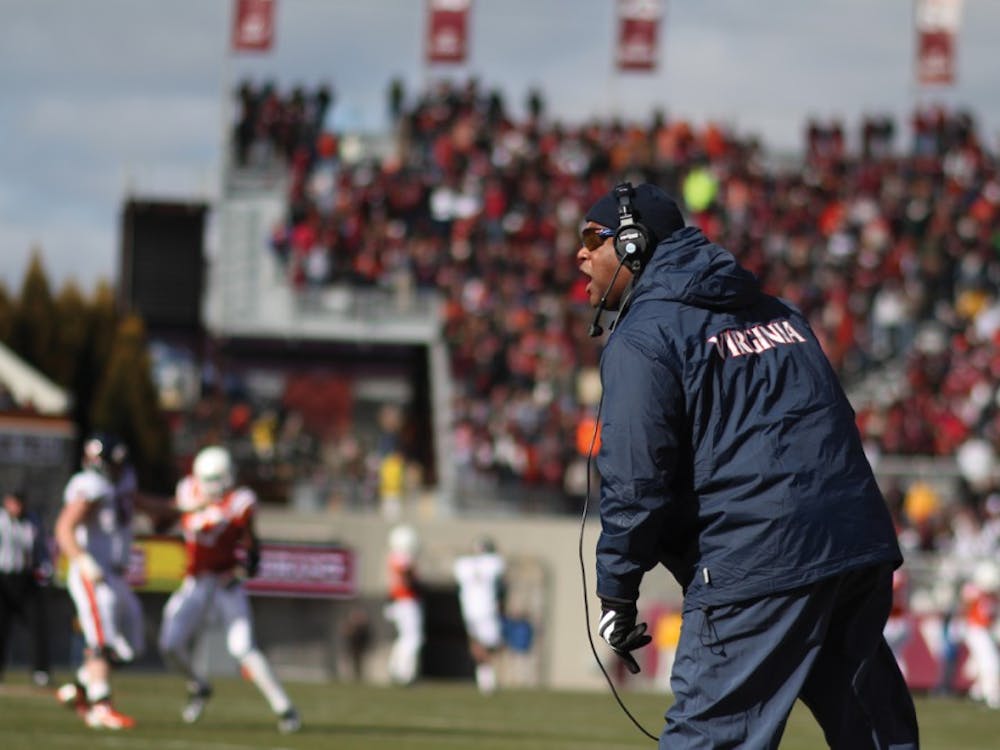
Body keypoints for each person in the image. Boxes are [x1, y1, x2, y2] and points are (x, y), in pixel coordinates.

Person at [578, 182, 920, 748]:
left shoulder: (646, 336)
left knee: (713, 738)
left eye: (594, 237)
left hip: (760, 557)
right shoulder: (779, 311)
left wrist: (617, 587)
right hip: (855, 545)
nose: (581, 255)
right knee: (875, 734)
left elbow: (636, 479)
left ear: (636, 245)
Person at [157, 445, 301, 733]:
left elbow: (251, 547)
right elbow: (163, 523)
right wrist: (176, 512)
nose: (210, 486)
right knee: (170, 645)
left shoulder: (240, 501)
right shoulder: (187, 491)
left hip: (224, 583)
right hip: (195, 582)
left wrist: (245, 567)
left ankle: (284, 708)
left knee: (243, 648)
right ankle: (199, 685)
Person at [54, 435, 140, 729]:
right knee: (101, 641)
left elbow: (142, 504)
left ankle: (79, 687)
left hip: (114, 575)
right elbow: (64, 527)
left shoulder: (121, 482)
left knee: (130, 644)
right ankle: (101, 705)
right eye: (112, 464)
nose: (118, 470)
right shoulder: (91, 484)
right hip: (93, 572)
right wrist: (82, 560)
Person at [0, 488, 52, 686]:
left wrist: (46, 570)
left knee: (38, 624)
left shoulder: (33, 521)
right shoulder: (1, 521)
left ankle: (41, 671)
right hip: (2, 578)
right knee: (1, 626)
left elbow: (42, 550)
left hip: (26, 578)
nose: (17, 507)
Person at [453, 536, 507, 694]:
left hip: (469, 610)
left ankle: (485, 676)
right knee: (492, 644)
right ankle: (486, 678)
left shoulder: (463, 564)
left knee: (479, 643)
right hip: (486, 609)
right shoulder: (493, 562)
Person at [384, 523, 423, 685]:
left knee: (405, 638)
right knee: (412, 638)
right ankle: (403, 671)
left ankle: (397, 667)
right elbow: (407, 578)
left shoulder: (394, 556)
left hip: (399, 601)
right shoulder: (401, 558)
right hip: (405, 601)